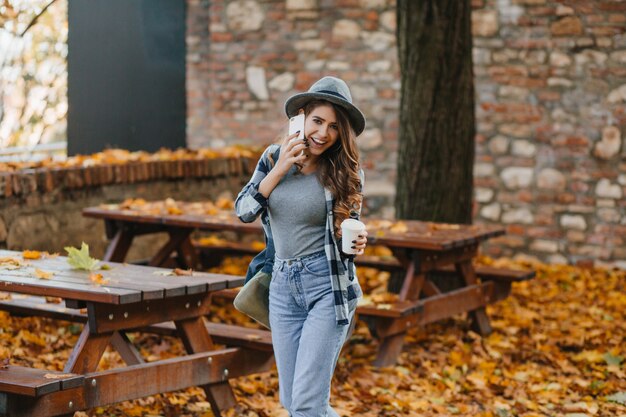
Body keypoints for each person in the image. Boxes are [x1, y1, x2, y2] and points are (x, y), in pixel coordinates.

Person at [235, 76, 368, 416]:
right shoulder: (272, 158)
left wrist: (355, 243)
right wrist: (279, 169)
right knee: (292, 402)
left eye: (334, 127)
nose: (323, 133)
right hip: (282, 287)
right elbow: (244, 211)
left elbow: (344, 239)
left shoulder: (344, 171)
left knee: (308, 404)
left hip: (327, 286)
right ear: (301, 118)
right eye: (318, 121)